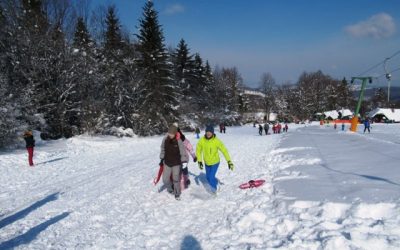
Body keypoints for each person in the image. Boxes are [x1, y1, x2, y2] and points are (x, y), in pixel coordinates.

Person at [196, 125, 233, 193]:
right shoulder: (202, 140)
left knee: (211, 177)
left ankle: (214, 190)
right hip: (207, 163)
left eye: (210, 132)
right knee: (207, 177)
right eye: (207, 132)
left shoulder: (216, 141)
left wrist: (229, 161)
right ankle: (215, 182)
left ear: (212, 133)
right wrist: (199, 161)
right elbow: (198, 150)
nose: (208, 133)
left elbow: (224, 150)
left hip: (215, 162)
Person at [159, 125, 189, 200]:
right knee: (165, 179)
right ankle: (170, 189)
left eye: (172, 133)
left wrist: (184, 161)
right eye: (169, 133)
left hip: (176, 163)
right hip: (167, 162)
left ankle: (177, 193)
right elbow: (163, 149)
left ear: (175, 133)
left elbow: (183, 152)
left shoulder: (179, 141)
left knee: (176, 179)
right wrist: (162, 159)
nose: (170, 135)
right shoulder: (165, 139)